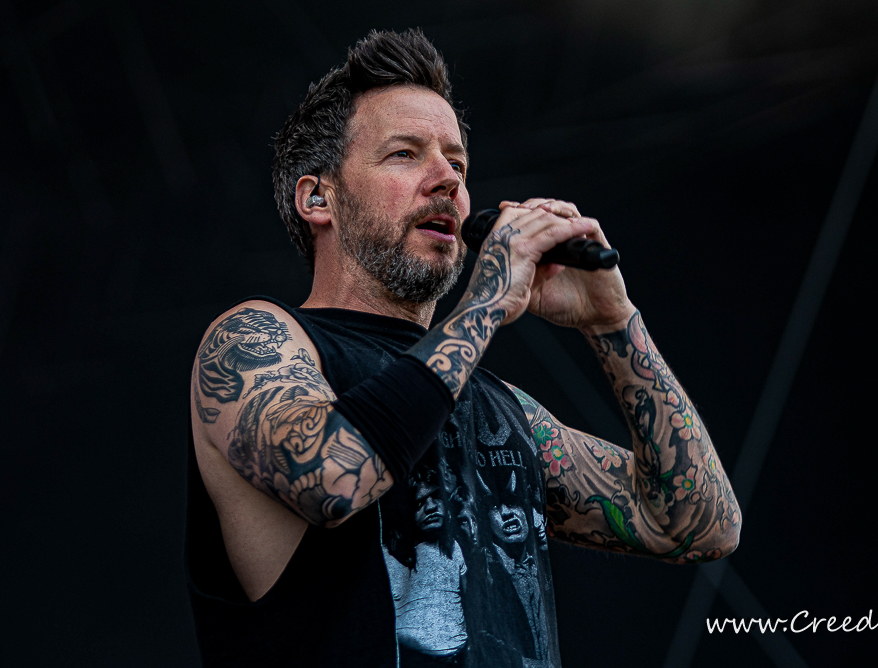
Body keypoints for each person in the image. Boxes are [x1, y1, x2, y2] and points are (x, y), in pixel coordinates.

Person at [185, 28, 741, 667]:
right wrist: (486, 302)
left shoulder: (503, 411)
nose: (447, 179)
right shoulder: (257, 338)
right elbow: (331, 477)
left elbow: (698, 525)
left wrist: (613, 323)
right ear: (318, 197)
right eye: (405, 154)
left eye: (458, 163)